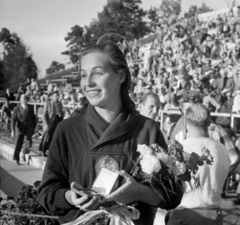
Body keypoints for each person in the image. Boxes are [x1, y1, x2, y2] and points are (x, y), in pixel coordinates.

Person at [38, 43, 182, 225]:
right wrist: (70, 197)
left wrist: (139, 191)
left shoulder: (148, 129)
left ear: (121, 75)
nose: (88, 82)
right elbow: (46, 193)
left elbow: (173, 196)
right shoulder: (67, 129)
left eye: (97, 73)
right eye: (83, 75)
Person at [167, 104, 230, 225]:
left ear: (185, 122)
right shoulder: (222, 149)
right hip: (214, 214)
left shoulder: (180, 148)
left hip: (185, 213)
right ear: (209, 122)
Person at [11, 94, 36, 165]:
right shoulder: (17, 108)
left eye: (26, 99)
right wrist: (12, 130)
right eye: (24, 99)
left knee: (29, 142)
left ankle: (24, 153)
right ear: (20, 100)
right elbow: (13, 120)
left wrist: (34, 127)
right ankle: (16, 158)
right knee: (18, 143)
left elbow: (33, 118)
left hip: (28, 127)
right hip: (20, 128)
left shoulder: (30, 107)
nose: (25, 100)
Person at [40, 91, 64, 157]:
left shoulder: (60, 104)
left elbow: (61, 112)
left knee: (54, 137)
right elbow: (44, 115)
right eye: (56, 96)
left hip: (58, 120)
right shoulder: (48, 104)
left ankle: (52, 151)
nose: (57, 97)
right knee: (47, 136)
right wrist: (45, 124)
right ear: (52, 97)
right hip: (50, 122)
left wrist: (61, 114)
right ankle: (43, 150)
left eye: (58, 96)